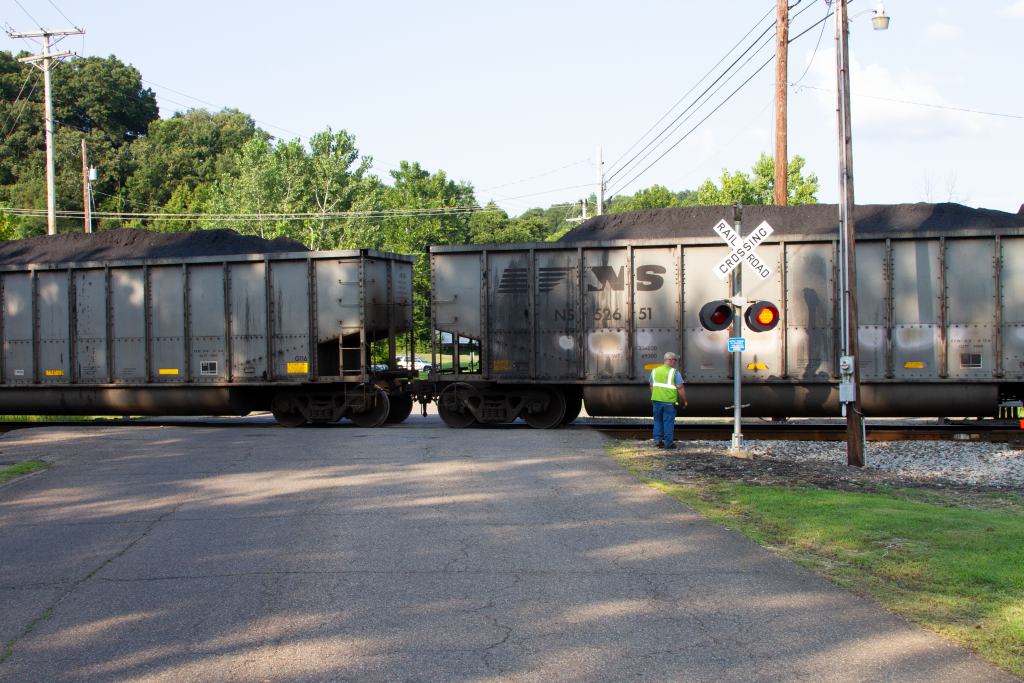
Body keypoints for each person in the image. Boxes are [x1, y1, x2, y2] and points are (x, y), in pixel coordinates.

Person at [649, 351, 687, 449]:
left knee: (657, 420)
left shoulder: (655, 371)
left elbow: (651, 385)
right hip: (669, 401)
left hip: (656, 400)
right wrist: (685, 399)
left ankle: (658, 440)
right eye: (674, 360)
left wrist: (655, 395)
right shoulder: (674, 372)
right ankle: (669, 443)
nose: (675, 362)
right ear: (670, 360)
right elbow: (680, 386)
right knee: (668, 422)